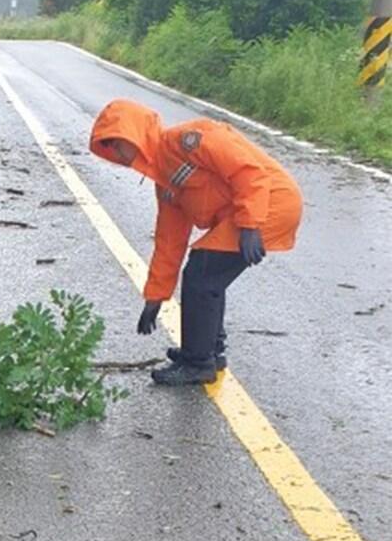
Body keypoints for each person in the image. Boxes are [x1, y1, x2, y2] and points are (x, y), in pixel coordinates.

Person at [89, 99, 303, 385]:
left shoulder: (187, 140)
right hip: (248, 212)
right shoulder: (165, 181)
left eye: (117, 143)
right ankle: (210, 351)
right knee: (206, 274)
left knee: (202, 274)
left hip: (269, 203)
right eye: (110, 148)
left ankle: (198, 362)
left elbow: (247, 170)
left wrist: (250, 223)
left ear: (135, 133)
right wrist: (155, 297)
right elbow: (169, 242)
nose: (117, 153)